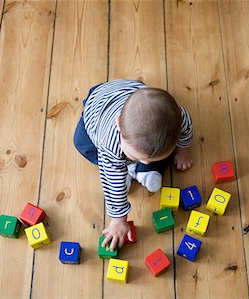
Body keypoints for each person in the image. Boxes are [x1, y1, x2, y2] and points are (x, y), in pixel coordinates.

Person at [73, 79, 193, 251]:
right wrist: (118, 221)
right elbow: (112, 187)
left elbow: (186, 131)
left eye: (148, 160)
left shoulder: (180, 118)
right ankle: (131, 169)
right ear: (119, 123)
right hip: (96, 108)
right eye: (138, 158)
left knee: (156, 147)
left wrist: (182, 151)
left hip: (135, 94)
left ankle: (144, 167)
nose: (144, 161)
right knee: (81, 143)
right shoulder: (110, 144)